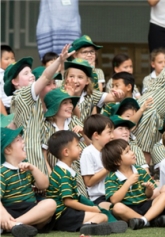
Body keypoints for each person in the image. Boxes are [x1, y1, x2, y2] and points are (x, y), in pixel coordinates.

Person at [46, 131, 127, 235]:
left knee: (102, 213)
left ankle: (95, 224)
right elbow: (68, 202)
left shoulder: (63, 170)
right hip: (63, 215)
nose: (80, 149)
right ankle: (88, 226)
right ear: (66, 152)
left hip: (66, 213)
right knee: (102, 216)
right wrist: (91, 209)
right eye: (77, 146)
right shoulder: (64, 174)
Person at [8, 45, 71, 176]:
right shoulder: (21, 96)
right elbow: (46, 77)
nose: (31, 76)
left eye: (31, 72)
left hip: (39, 166)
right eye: (26, 74)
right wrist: (59, 60)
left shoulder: (37, 102)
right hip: (27, 165)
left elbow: (55, 84)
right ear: (15, 82)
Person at [102, 139, 165, 230]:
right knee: (117, 208)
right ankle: (151, 220)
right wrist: (128, 182)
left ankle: (143, 221)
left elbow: (148, 196)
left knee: (164, 195)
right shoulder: (111, 177)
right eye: (127, 152)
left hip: (144, 204)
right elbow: (114, 200)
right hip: (128, 209)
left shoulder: (140, 171)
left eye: (130, 149)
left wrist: (149, 189)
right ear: (117, 162)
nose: (132, 153)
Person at [1, 127, 56, 237]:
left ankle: (14, 225)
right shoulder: (2, 172)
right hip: (11, 210)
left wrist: (33, 169)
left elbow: (44, 185)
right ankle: (15, 225)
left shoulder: (26, 166)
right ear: (8, 150)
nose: (23, 141)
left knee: (51, 203)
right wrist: (3, 214)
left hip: (31, 210)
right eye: (18, 140)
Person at [81, 114, 115, 211]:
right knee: (109, 207)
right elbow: (88, 182)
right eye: (109, 132)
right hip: (100, 197)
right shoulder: (88, 152)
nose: (113, 136)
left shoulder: (111, 149)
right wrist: (108, 167)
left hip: (116, 193)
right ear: (96, 135)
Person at [0, 45, 16, 111]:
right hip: (5, 107)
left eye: (13, 58)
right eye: (6, 59)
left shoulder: (14, 73)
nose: (11, 61)